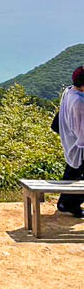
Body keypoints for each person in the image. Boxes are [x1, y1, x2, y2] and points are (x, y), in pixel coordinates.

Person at [56, 66, 84, 217]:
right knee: (77, 176)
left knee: (72, 174)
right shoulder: (79, 102)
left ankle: (64, 203)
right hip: (79, 146)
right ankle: (70, 204)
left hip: (71, 142)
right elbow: (82, 133)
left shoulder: (70, 91)